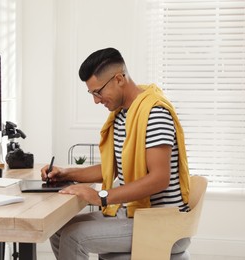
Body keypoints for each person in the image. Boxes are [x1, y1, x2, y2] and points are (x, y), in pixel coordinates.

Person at [41, 47, 191, 259]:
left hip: (162, 222)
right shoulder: (122, 115)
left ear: (119, 79)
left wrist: (101, 196)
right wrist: (65, 173)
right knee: (57, 229)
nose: (96, 100)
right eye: (92, 93)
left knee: (74, 236)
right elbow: (112, 168)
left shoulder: (154, 114)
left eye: (98, 92)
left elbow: (159, 179)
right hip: (131, 215)